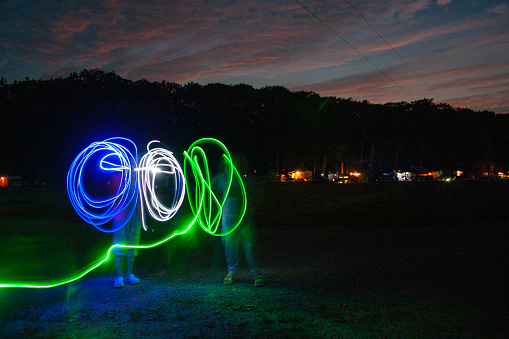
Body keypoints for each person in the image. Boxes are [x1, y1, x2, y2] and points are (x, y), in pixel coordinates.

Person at [215, 155, 264, 287]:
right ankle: (232, 273)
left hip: (245, 219)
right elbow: (207, 188)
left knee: (250, 247)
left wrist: (253, 209)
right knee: (230, 248)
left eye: (232, 165)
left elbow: (255, 195)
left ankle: (256, 274)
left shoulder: (244, 180)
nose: (229, 167)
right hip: (228, 219)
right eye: (226, 165)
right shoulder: (222, 179)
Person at [111, 201, 142, 288]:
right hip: (120, 206)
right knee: (120, 241)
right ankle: (119, 275)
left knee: (133, 241)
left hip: (136, 207)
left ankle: (129, 274)